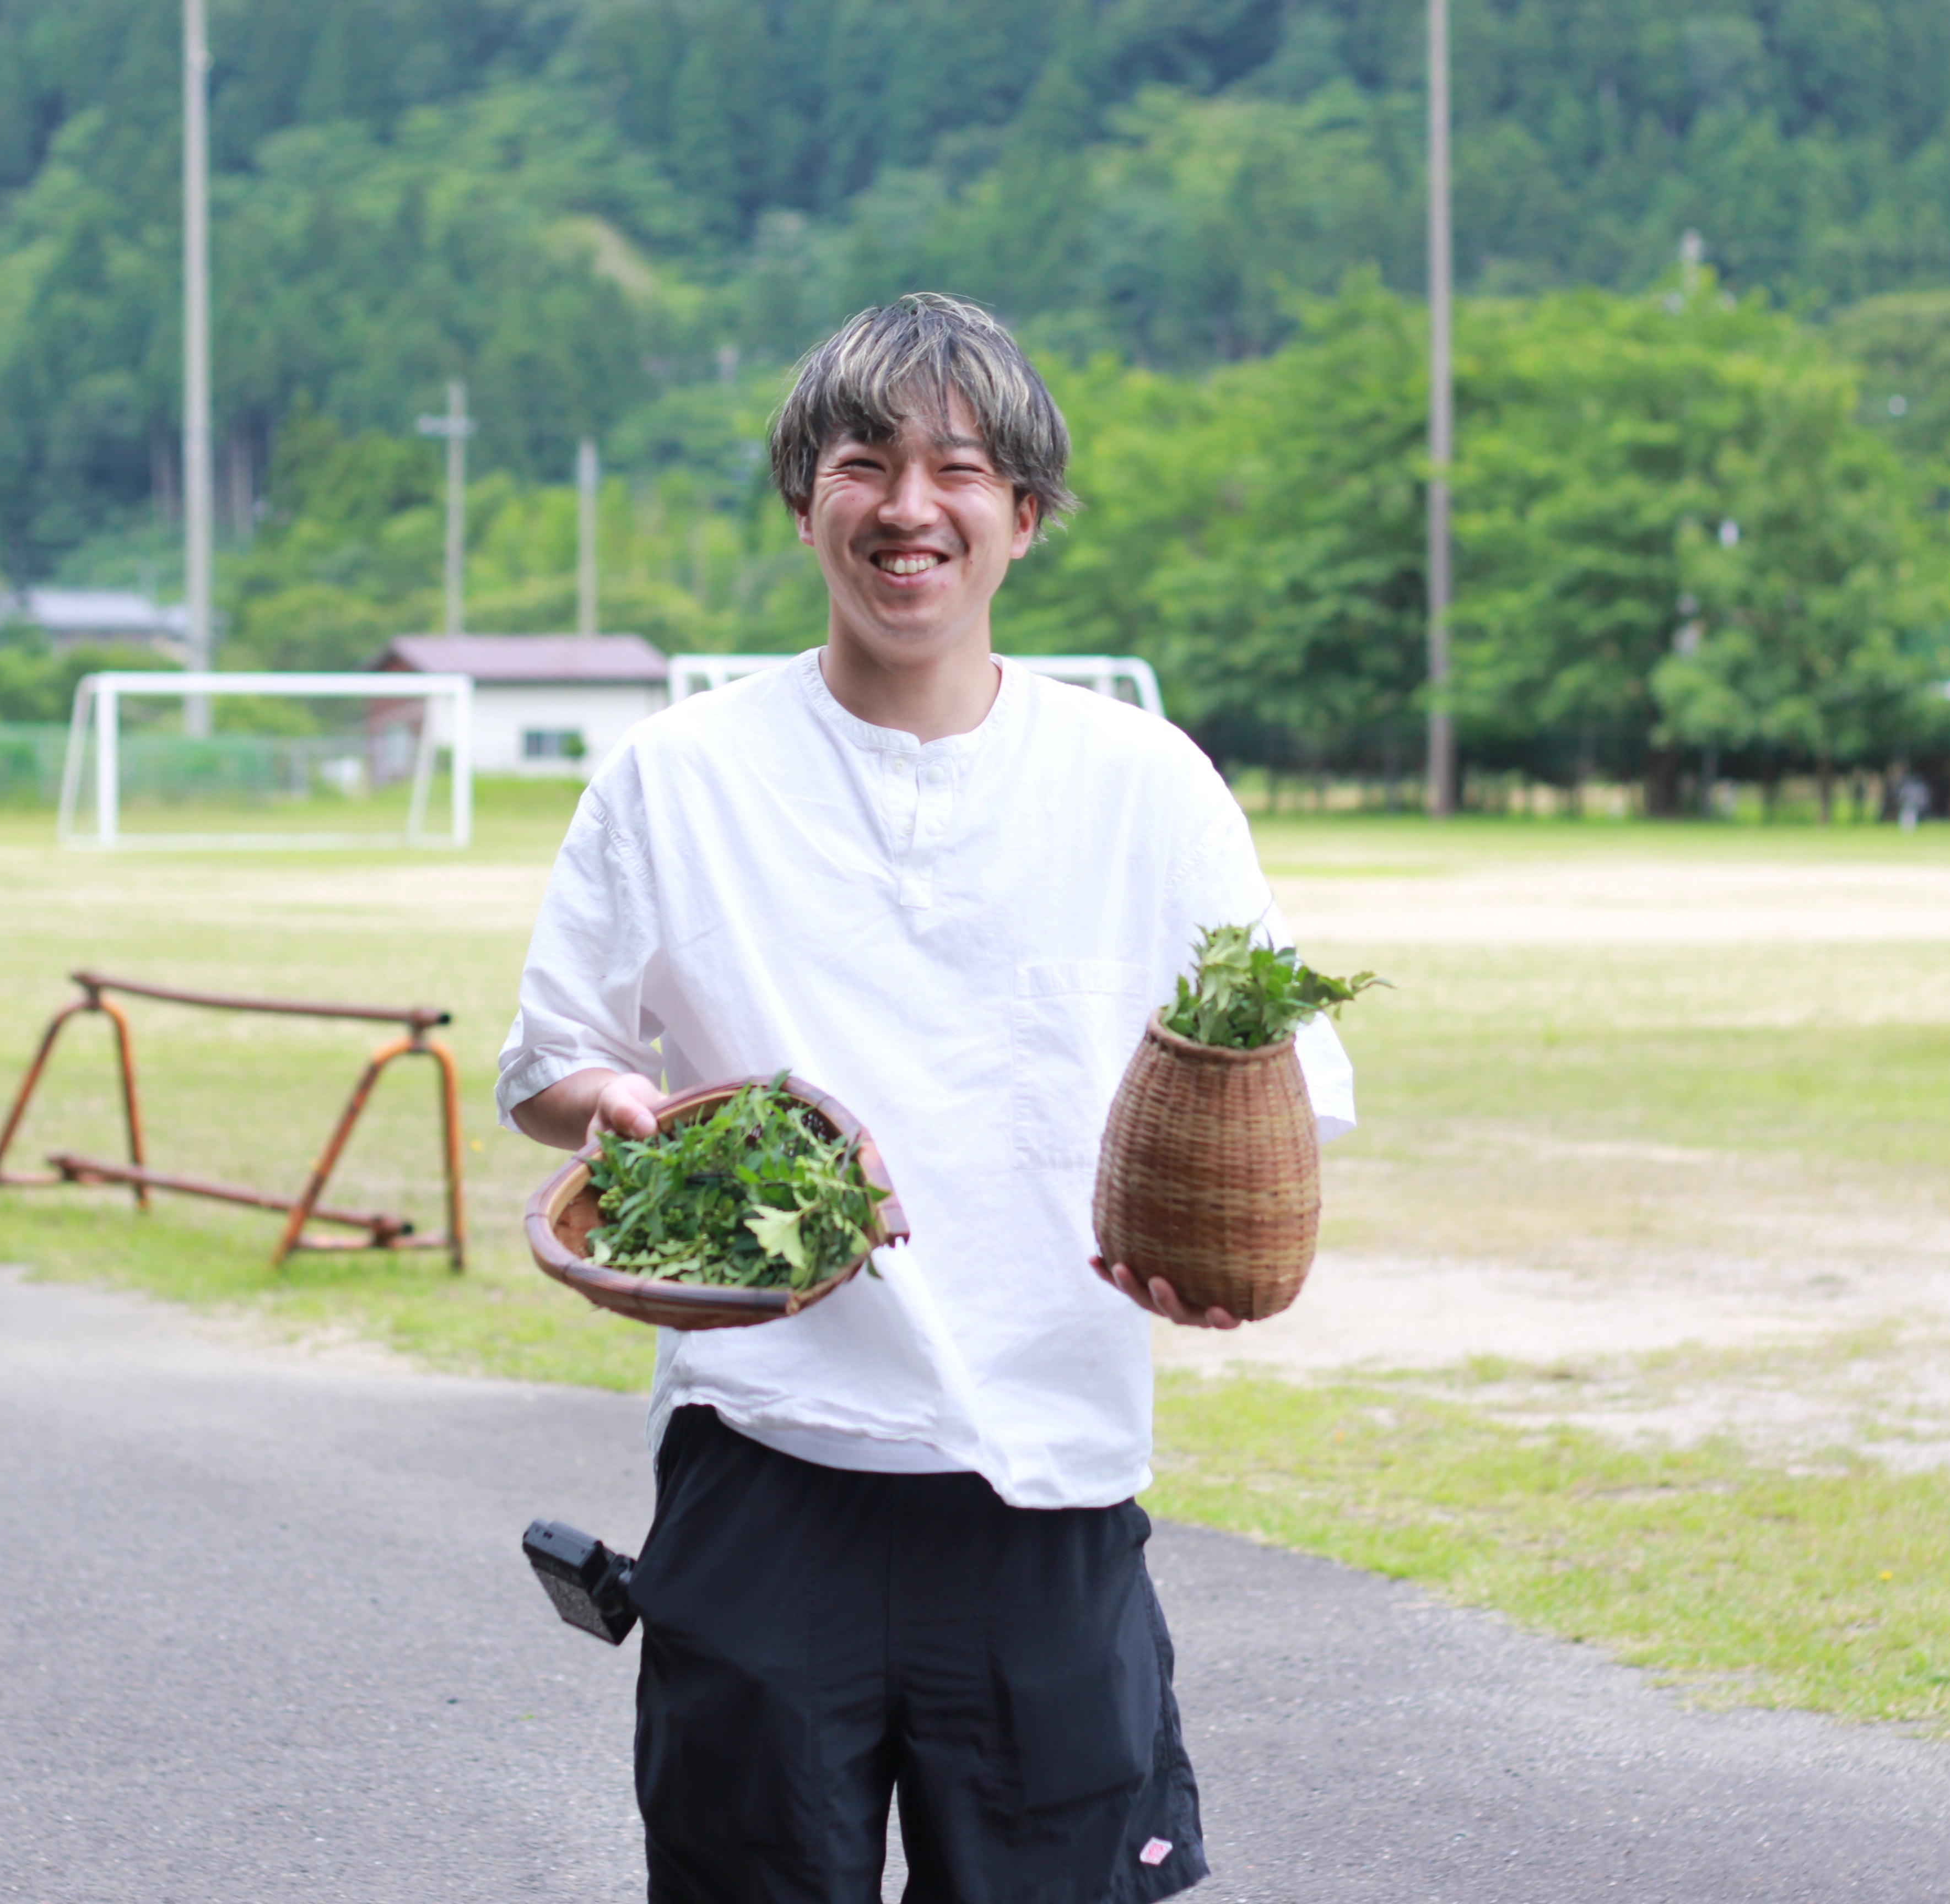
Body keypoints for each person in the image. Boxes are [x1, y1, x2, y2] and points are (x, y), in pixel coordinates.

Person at [499, 292, 1355, 1904]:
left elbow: (1278, 1085)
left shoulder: (1145, 784)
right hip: (767, 1458)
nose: (909, 506)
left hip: (1043, 1467)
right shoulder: (678, 778)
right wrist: (610, 1098)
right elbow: (549, 1061)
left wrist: (1217, 1254)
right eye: (863, 461)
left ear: (1024, 516)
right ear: (803, 497)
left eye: (958, 469)